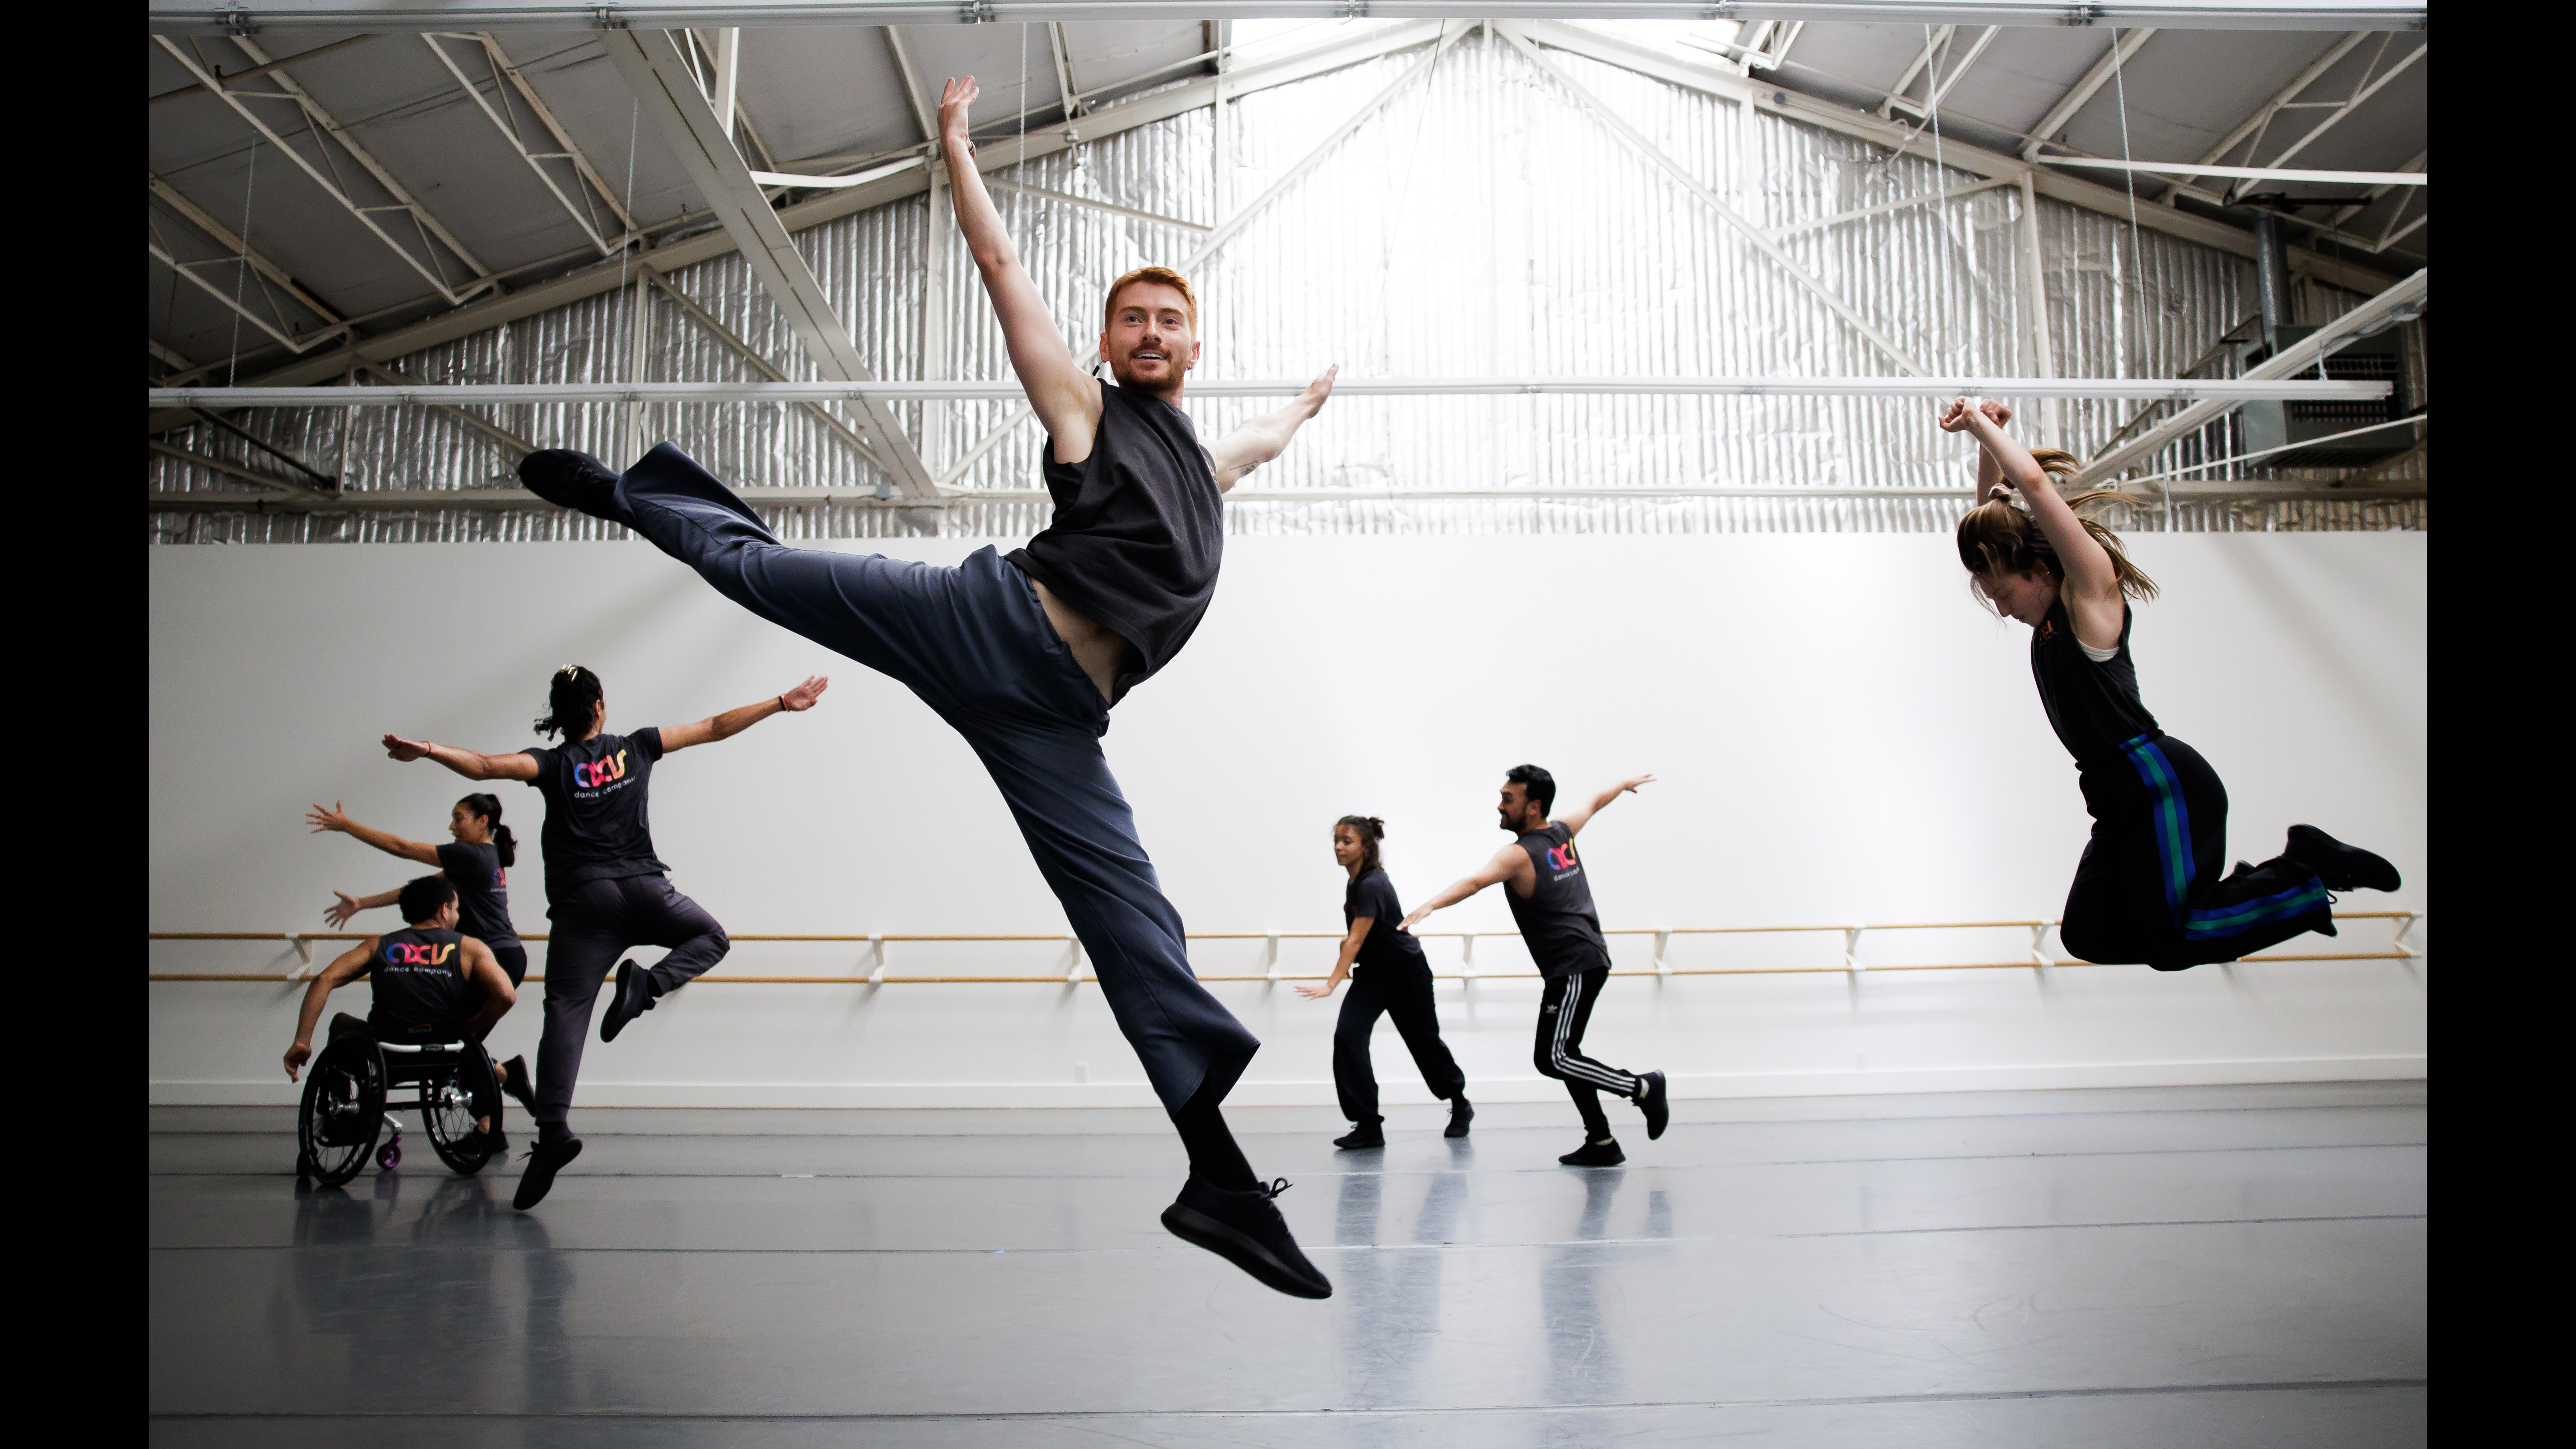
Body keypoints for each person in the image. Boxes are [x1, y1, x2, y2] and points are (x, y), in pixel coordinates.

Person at [509, 74, 1340, 1299]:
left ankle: (1214, 1178)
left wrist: (1303, 409)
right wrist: (954, 150)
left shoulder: (1196, 468)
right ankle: (628, 493)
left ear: (1194, 341)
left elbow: (1248, 449)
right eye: (1133, 320)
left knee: (1132, 919)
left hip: (1053, 713)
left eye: (1171, 319)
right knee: (764, 569)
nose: (1151, 332)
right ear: (1110, 345)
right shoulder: (1085, 411)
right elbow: (1004, 275)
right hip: (985, 621)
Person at [1943, 397, 2400, 970]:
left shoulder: (2089, 601)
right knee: (2087, 933)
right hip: (2113, 798)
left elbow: (2032, 484)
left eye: (2002, 594)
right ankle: (2287, 876)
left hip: (2158, 785)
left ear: (2037, 571)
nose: (2003, 610)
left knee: (2172, 942)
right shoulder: (2044, 621)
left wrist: (1981, 424)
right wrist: (1984, 444)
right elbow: (1991, 515)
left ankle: (2306, 873)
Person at [376, 663, 831, 1211]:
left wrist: (424, 749)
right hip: (645, 890)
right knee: (711, 937)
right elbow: (713, 726)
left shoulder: (549, 763)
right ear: (601, 706)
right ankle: (646, 987)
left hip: (585, 906)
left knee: (566, 1013)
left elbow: (482, 767)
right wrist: (781, 701)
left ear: (559, 717)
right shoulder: (639, 747)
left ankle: (554, 1133)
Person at [1402, 766, 1668, 1167]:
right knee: (1567, 1053)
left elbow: (1476, 882)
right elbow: (1595, 802)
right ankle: (1601, 1141)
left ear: (1533, 807)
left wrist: (1430, 905)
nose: (1500, 804)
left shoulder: (1519, 854)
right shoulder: (1561, 830)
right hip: (1577, 963)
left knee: (1554, 1058)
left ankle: (1642, 1088)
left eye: (1508, 799)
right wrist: (1621, 784)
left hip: (1575, 964)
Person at [308, 793, 538, 1118]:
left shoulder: (472, 856)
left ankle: (499, 1099)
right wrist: (362, 903)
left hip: (491, 958)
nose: (452, 826)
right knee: (450, 1045)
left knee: (450, 1044)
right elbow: (420, 893)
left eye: (459, 818)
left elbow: (401, 847)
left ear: (483, 821)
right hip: (498, 955)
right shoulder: (480, 858)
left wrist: (347, 826)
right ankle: (503, 1087)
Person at [282, 874, 516, 1151]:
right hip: (442, 1053)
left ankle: (342, 1119)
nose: (457, 915)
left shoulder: (377, 945)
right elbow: (506, 996)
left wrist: (302, 1041)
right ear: (444, 910)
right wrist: (472, 1029)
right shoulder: (470, 948)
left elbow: (324, 980)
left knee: (340, 1023)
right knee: (459, 1033)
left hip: (384, 1052)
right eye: (456, 909)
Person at [1296, 816, 1470, 1148]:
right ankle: (1368, 1125)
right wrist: (1346, 952)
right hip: (1374, 974)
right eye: (1336, 840)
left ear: (1365, 846)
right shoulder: (1356, 881)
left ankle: (1460, 1103)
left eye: (1347, 841)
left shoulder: (1372, 883)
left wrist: (1331, 984)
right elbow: (1358, 938)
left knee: (1424, 1043)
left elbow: (1356, 941)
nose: (1339, 847)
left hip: (1406, 973)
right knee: (1348, 1036)